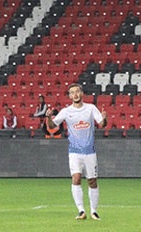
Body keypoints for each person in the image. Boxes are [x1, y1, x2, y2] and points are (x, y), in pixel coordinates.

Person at [45, 83, 107, 221]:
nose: (75, 94)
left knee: (92, 181)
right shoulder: (67, 111)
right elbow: (52, 126)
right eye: (72, 92)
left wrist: (104, 118)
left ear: (82, 93)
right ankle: (81, 210)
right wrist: (48, 117)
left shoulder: (90, 108)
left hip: (89, 151)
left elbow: (102, 124)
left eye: (77, 91)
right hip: (74, 151)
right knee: (76, 178)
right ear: (69, 96)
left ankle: (94, 211)